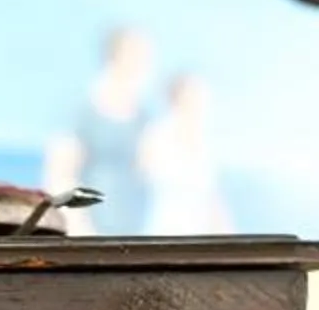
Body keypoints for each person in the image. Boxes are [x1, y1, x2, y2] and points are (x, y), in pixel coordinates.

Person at [42, 26, 154, 236]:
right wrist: (79, 229)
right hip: (89, 231)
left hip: (132, 231)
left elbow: (147, 172)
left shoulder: (143, 116)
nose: (146, 65)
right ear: (117, 55)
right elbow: (59, 174)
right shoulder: (81, 109)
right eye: (139, 56)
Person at [138, 72, 234, 234]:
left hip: (199, 229)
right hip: (165, 227)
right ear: (177, 98)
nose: (200, 103)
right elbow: (145, 178)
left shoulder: (202, 141)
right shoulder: (157, 134)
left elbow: (210, 193)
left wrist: (225, 231)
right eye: (193, 96)